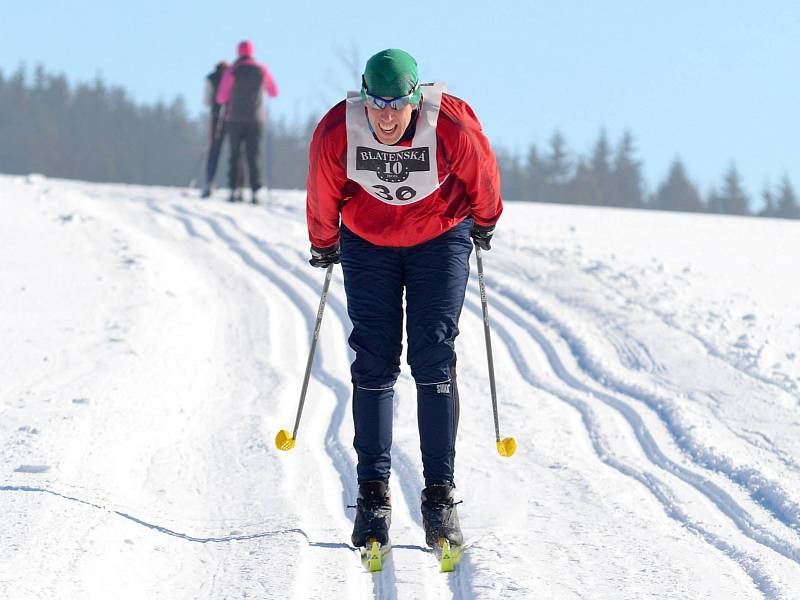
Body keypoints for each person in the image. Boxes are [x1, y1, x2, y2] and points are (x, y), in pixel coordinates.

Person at [305, 48, 502, 551]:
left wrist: (486, 219)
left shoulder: (449, 123)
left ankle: (439, 496)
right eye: (377, 104)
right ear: (363, 98)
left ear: (416, 98)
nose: (387, 116)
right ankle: (373, 495)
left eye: (397, 104)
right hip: (369, 243)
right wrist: (324, 241)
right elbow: (323, 188)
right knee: (373, 359)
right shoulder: (338, 131)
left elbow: (482, 171)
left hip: (439, 238)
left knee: (433, 355)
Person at [216, 40, 278, 203]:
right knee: (254, 154)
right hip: (256, 119)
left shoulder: (232, 70)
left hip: (234, 118)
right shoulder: (261, 70)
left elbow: (221, 97)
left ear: (239, 52)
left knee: (235, 155)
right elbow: (273, 92)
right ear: (252, 52)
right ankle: (256, 190)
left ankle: (234, 189)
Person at [201, 60, 229, 198]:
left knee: (213, 150)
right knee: (236, 153)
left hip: (216, 116)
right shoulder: (232, 75)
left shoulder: (211, 78)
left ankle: (209, 181)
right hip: (232, 116)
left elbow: (206, 100)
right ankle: (235, 186)